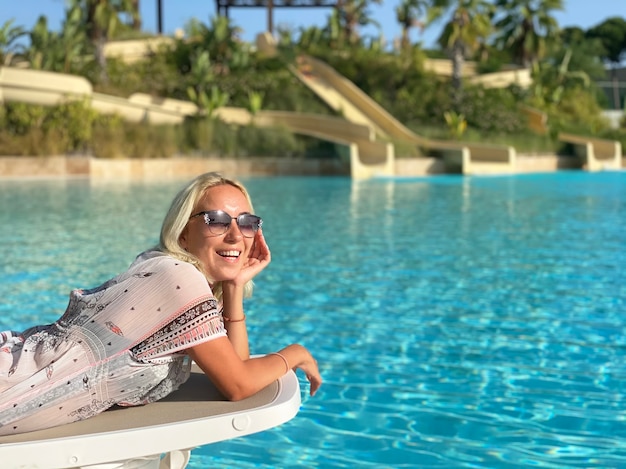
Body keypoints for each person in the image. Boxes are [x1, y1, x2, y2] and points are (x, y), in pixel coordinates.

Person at [0, 172, 322, 435]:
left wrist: (234, 286)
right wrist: (296, 354)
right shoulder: (179, 279)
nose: (237, 236)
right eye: (217, 220)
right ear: (183, 234)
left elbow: (233, 367)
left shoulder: (166, 269)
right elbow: (237, 384)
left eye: (247, 222)